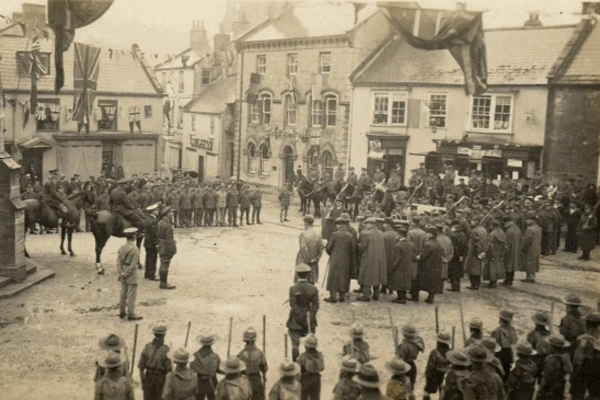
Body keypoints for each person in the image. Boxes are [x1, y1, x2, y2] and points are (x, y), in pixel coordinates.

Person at [286, 263, 319, 362]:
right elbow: (315, 306)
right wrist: (309, 317)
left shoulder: (293, 288)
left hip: (295, 321)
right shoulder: (313, 289)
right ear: (308, 274)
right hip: (309, 320)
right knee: (309, 343)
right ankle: (307, 365)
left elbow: (293, 305)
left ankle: (294, 365)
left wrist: (300, 317)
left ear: (297, 274)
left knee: (295, 345)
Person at [325, 215, 355, 302]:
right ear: (345, 225)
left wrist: (331, 253)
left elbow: (328, 248)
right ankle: (342, 296)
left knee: (334, 277)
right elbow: (353, 249)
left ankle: (333, 296)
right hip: (346, 260)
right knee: (344, 277)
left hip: (335, 258)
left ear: (338, 225)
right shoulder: (350, 235)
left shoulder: (334, 234)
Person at [570, 312, 600, 400]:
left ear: (587, 323)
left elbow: (577, 359)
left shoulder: (584, 339)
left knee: (577, 394)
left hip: (583, 369)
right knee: (595, 395)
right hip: (597, 371)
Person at [139, 325, 172, 400]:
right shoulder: (166, 350)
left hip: (148, 377)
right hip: (160, 378)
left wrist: (142, 381)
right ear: (164, 335)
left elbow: (141, 367)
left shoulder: (147, 347)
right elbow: (169, 371)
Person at [357, 218, 387, 302]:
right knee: (376, 275)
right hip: (379, 258)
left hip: (368, 258)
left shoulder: (365, 233)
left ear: (369, 224)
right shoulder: (381, 233)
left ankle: (366, 295)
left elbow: (362, 247)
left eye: (366, 224)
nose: (365, 226)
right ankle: (376, 294)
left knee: (367, 275)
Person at [412, 227, 443, 304]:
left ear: (431, 234)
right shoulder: (438, 243)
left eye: (428, 233)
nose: (426, 234)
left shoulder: (428, 244)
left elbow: (423, 256)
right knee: (432, 284)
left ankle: (415, 297)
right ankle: (430, 298)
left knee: (417, 282)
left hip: (426, 267)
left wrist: (418, 257)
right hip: (436, 267)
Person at [116, 227, 142, 320]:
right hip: (131, 273)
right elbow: (134, 265)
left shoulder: (122, 247)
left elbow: (118, 262)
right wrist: (126, 273)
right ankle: (131, 313)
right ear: (134, 237)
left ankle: (122, 312)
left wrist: (121, 273)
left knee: (123, 293)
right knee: (131, 295)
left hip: (123, 270)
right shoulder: (135, 249)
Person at [537, 334, 573, 400]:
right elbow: (570, 371)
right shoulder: (565, 357)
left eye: (549, 345)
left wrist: (539, 392)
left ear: (553, 347)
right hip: (560, 388)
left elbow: (545, 378)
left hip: (549, 389)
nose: (548, 347)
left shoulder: (550, 359)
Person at [388, 225, 417, 304]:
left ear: (399, 235)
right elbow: (414, 257)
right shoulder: (411, 244)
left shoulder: (398, 245)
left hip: (400, 267)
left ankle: (400, 298)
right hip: (408, 267)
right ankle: (402, 297)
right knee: (405, 282)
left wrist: (392, 269)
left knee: (399, 283)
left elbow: (397, 259)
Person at [237, 328, 268, 400]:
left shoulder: (240, 354)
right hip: (257, 380)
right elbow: (264, 368)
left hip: (244, 380)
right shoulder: (260, 353)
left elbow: (237, 369)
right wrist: (264, 375)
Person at [190, 335, 221, 400]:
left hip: (198, 382)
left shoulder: (195, 355)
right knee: (212, 398)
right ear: (211, 344)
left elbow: (191, 369)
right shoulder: (215, 357)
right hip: (211, 382)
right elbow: (218, 369)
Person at [296, 215, 324, 284]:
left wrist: (307, 259)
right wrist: (316, 258)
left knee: (302, 279)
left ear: (306, 223)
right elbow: (321, 247)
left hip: (304, 260)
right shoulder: (318, 234)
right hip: (314, 260)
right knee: (312, 280)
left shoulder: (303, 234)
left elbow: (303, 248)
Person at [397, 324, 424, 395]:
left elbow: (401, 357)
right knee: (411, 388)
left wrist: (397, 352)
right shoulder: (418, 341)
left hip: (404, 365)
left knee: (403, 388)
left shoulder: (405, 345)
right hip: (412, 365)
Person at [423, 332, 451, 400]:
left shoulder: (434, 352)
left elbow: (430, 367)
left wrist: (427, 378)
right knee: (444, 393)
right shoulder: (451, 352)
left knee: (426, 391)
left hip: (435, 375)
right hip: (446, 375)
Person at [492, 310, 518, 381]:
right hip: (509, 355)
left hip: (500, 355)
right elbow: (514, 342)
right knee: (507, 376)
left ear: (501, 319)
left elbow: (493, 345)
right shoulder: (513, 330)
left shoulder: (497, 331)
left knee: (499, 376)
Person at [297, 334, 324, 400]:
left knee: (303, 397)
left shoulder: (303, 356)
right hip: (316, 379)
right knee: (315, 397)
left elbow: (298, 369)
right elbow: (322, 367)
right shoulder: (320, 355)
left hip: (305, 379)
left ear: (306, 346)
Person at [559, 294, 586, 359]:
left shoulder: (566, 319)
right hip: (579, 347)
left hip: (568, 348)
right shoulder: (583, 318)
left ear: (569, 306)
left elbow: (562, 335)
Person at [465, 216, 487, 290]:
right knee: (478, 269)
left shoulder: (475, 231)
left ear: (477, 221)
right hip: (482, 251)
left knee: (472, 269)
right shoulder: (484, 230)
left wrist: (477, 252)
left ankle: (474, 285)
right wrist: (483, 251)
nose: (471, 222)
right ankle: (477, 283)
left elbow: (475, 243)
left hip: (474, 252)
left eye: (473, 220)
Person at [157, 206, 177, 289]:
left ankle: (162, 281)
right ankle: (163, 283)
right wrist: (172, 250)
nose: (172, 214)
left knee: (162, 263)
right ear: (167, 214)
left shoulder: (160, 222)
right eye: (171, 213)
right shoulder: (167, 225)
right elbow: (169, 239)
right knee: (165, 264)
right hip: (166, 246)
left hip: (161, 245)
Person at [483, 220, 506, 288]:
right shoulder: (502, 232)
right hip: (499, 252)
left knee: (491, 268)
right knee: (497, 267)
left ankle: (492, 282)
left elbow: (490, 245)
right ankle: (494, 281)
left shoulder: (492, 234)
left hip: (493, 252)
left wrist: (489, 253)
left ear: (492, 226)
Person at [520, 213, 542, 283]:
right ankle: (533, 276)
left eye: (528, 219)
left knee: (529, 262)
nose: (526, 221)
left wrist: (523, 248)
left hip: (530, 248)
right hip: (537, 248)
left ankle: (529, 277)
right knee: (535, 262)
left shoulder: (529, 229)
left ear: (532, 220)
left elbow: (527, 240)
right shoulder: (538, 228)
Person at [448, 220, 468, 291]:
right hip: (462, 255)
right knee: (458, 271)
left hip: (455, 256)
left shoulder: (453, 235)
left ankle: (454, 287)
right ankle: (458, 286)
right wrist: (463, 255)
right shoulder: (463, 234)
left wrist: (458, 255)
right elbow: (466, 246)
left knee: (453, 271)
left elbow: (454, 247)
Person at [503, 217, 522, 286]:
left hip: (510, 251)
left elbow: (507, 243)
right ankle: (511, 280)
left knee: (508, 266)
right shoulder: (518, 229)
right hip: (516, 251)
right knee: (513, 266)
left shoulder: (509, 231)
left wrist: (505, 251)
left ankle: (507, 281)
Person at [143, 203, 160, 281]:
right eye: (157, 210)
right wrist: (156, 243)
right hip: (152, 243)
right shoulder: (153, 221)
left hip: (147, 242)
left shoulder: (147, 219)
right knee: (153, 258)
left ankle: (147, 274)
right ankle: (151, 275)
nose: (158, 211)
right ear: (153, 211)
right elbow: (154, 234)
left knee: (148, 258)